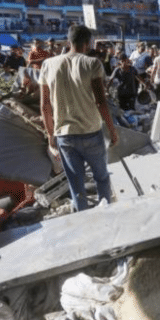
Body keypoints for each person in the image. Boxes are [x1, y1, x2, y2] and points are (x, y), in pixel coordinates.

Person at [39, 24, 118, 212]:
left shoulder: (48, 64)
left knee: (76, 184)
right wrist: (112, 131)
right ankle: (106, 215)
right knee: (102, 178)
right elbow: (101, 102)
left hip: (64, 136)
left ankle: (83, 220)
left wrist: (50, 137)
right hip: (91, 132)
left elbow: (45, 106)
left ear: (69, 42)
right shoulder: (92, 63)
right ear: (87, 43)